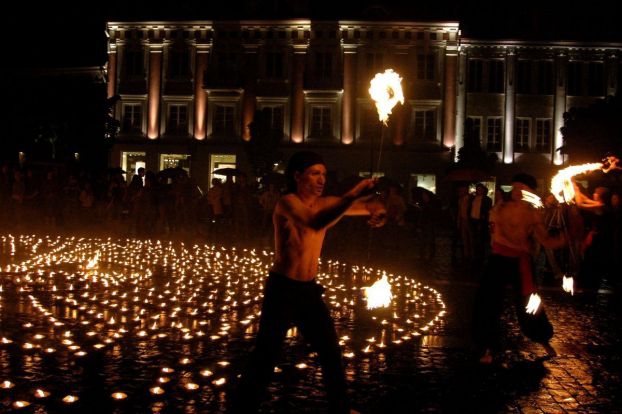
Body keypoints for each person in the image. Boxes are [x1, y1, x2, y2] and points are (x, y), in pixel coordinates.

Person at [230, 151, 387, 413]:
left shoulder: (326, 203)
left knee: (330, 351)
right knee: (266, 355)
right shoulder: (287, 203)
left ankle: (340, 407)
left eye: (324, 174)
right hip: (283, 289)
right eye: (314, 173)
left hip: (308, 292)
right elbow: (314, 224)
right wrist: (352, 196)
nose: (321, 179)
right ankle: (244, 407)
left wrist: (378, 212)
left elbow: (373, 206)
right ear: (297, 176)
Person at [472, 173, 566, 364]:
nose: (515, 192)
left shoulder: (533, 213)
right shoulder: (501, 208)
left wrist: (565, 237)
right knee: (487, 303)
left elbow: (545, 239)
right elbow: (501, 234)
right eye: (514, 188)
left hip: (519, 262)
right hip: (498, 259)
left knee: (530, 305)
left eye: (520, 188)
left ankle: (542, 338)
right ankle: (486, 346)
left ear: (529, 192)